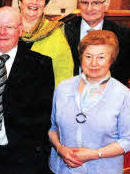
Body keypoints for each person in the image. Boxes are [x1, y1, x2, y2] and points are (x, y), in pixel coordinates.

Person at [0, 7, 54, 174]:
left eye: (9, 27)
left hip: (20, 157)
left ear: (20, 30)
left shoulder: (40, 65)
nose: (3, 33)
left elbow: (43, 117)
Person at [49, 30, 130, 174]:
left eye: (101, 57)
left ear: (111, 60)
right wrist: (60, 149)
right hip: (62, 169)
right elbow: (53, 128)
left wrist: (94, 154)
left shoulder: (123, 95)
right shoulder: (63, 88)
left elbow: (127, 140)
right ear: (81, 58)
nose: (93, 63)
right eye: (88, 56)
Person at [64, 0, 130, 85]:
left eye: (95, 3)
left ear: (106, 4)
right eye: (85, 2)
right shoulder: (64, 31)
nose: (89, 8)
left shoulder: (123, 35)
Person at [17, 0, 73, 86]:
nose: (34, 2)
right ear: (20, 2)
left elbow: (64, 75)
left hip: (42, 98)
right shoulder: (8, 28)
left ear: (45, 4)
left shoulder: (55, 33)